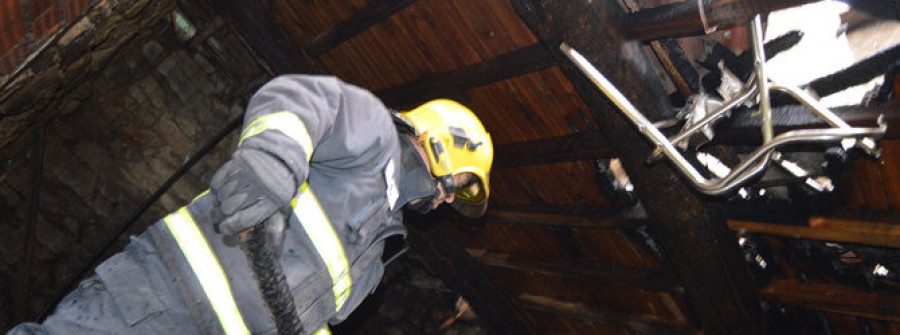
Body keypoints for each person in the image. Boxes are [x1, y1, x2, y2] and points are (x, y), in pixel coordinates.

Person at [8, 75, 494, 334]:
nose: (449, 199)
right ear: (443, 144)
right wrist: (272, 162)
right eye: (461, 184)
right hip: (163, 297)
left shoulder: (377, 258)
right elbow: (301, 99)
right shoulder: (371, 129)